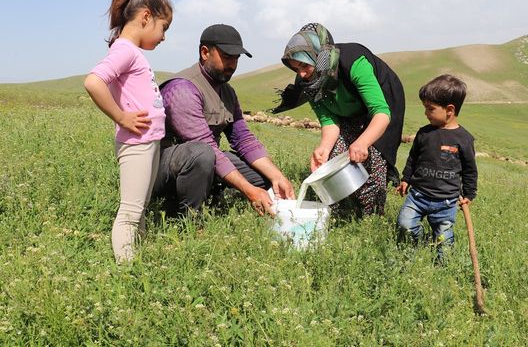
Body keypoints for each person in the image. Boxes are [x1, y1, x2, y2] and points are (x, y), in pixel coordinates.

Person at [153, 24, 295, 216]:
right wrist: (248, 190)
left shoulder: (227, 91)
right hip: (161, 168)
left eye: (236, 58)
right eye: (227, 57)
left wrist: (278, 177)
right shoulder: (182, 89)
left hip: (204, 160)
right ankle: (188, 218)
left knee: (264, 179)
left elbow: (244, 139)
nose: (233, 65)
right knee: (201, 154)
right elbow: (206, 146)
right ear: (205, 52)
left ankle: (215, 198)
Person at [83, 0, 172, 263]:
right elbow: (94, 82)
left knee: (140, 209)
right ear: (146, 17)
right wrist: (122, 117)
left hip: (148, 141)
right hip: (136, 142)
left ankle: (139, 257)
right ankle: (128, 270)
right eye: (164, 27)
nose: (164, 36)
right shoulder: (124, 51)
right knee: (130, 213)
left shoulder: (131, 52)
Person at [277, 23, 405, 216]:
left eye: (305, 65)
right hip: (347, 111)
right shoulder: (309, 83)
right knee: (336, 156)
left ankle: (371, 218)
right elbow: (329, 121)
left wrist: (362, 142)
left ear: (320, 57)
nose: (301, 74)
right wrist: (323, 148)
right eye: (296, 68)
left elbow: (380, 112)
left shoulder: (354, 62)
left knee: (372, 158)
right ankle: (340, 213)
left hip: (380, 109)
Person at [395, 74, 478, 263]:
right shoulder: (424, 133)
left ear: (450, 110)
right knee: (405, 224)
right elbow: (413, 158)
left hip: (446, 202)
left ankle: (443, 267)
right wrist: (406, 179)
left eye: (430, 109)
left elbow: (470, 170)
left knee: (444, 239)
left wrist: (469, 194)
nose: (426, 113)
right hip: (418, 196)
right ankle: (417, 244)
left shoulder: (464, 139)